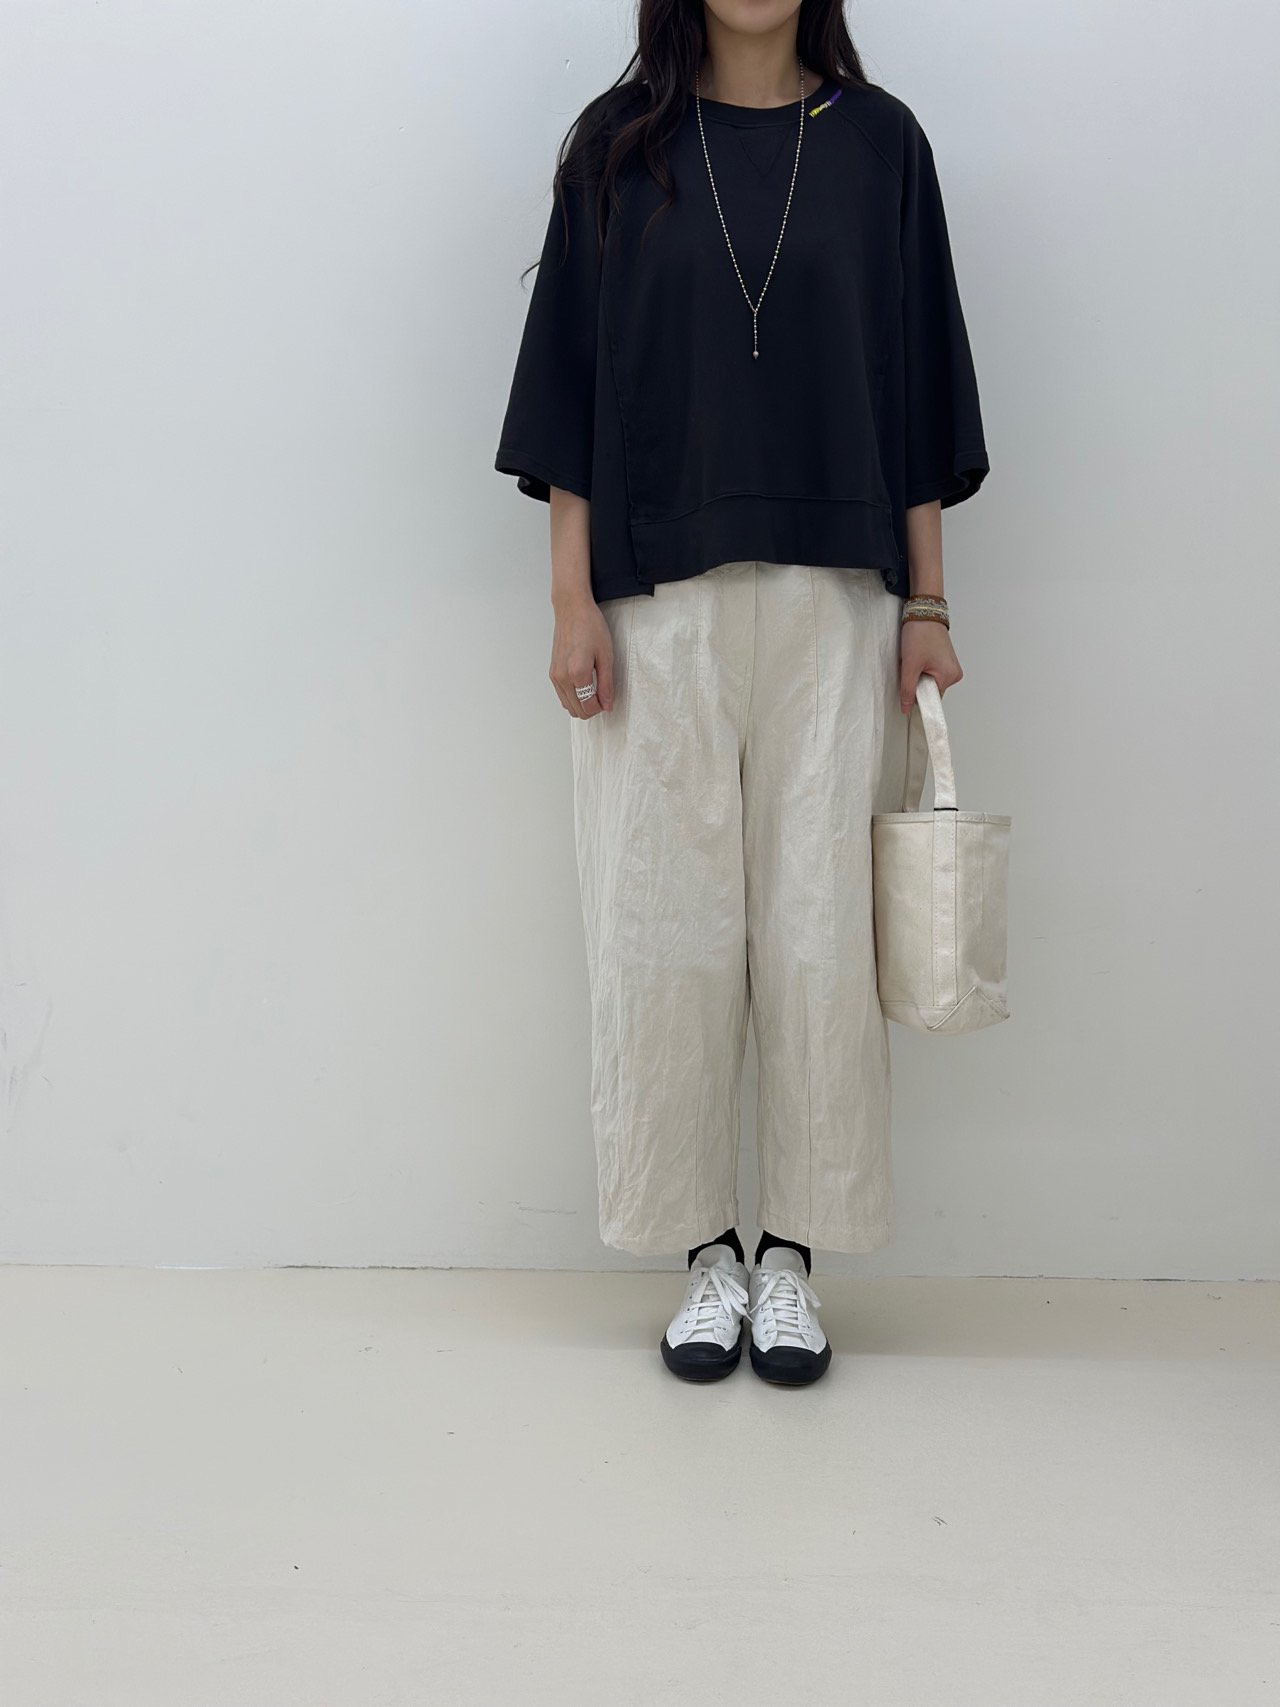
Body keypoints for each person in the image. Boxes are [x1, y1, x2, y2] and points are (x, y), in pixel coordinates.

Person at [494, 0, 989, 1386]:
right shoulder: (618, 146)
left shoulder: (882, 147)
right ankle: (703, 1250)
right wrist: (569, 601)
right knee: (664, 930)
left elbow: (920, 390)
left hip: (840, 599)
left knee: (821, 934)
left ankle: (796, 1259)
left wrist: (930, 604)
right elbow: (566, 387)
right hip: (654, 598)